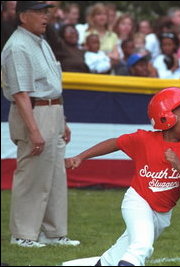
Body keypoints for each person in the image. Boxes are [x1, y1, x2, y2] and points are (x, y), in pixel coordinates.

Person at [65, 87, 180, 266]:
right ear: (165, 118)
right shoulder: (145, 140)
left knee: (113, 258)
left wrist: (179, 166)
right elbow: (115, 143)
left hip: (162, 213)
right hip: (138, 202)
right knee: (141, 247)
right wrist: (81, 157)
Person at [1, 1, 79, 247]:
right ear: (23, 16)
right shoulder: (17, 46)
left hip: (52, 110)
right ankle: (22, 234)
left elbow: (51, 85)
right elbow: (21, 93)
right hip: (34, 111)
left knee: (55, 174)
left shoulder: (40, 41)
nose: (46, 16)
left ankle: (54, 232)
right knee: (32, 174)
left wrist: (61, 119)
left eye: (46, 11)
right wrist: (34, 130)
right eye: (39, 12)